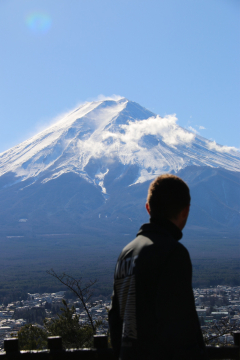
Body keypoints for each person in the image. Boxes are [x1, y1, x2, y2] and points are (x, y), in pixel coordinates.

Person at [108, 174, 208, 360]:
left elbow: (115, 319)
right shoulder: (172, 253)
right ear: (185, 211)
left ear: (148, 208)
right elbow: (179, 324)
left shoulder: (126, 253)